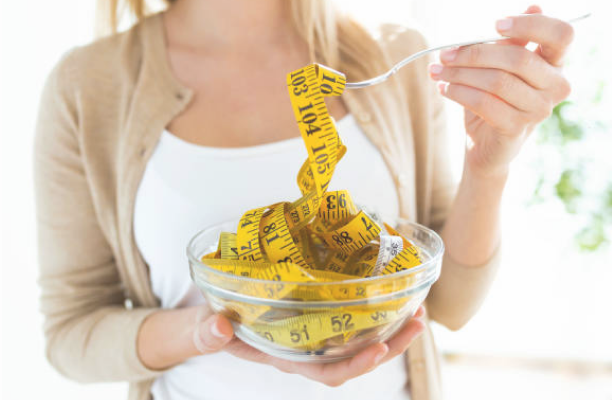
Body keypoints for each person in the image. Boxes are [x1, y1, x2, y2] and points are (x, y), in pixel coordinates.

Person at [33, 0, 573, 399]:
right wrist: (211, 331)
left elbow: (449, 303)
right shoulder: (86, 87)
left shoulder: (396, 56)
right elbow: (70, 334)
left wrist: (489, 163)